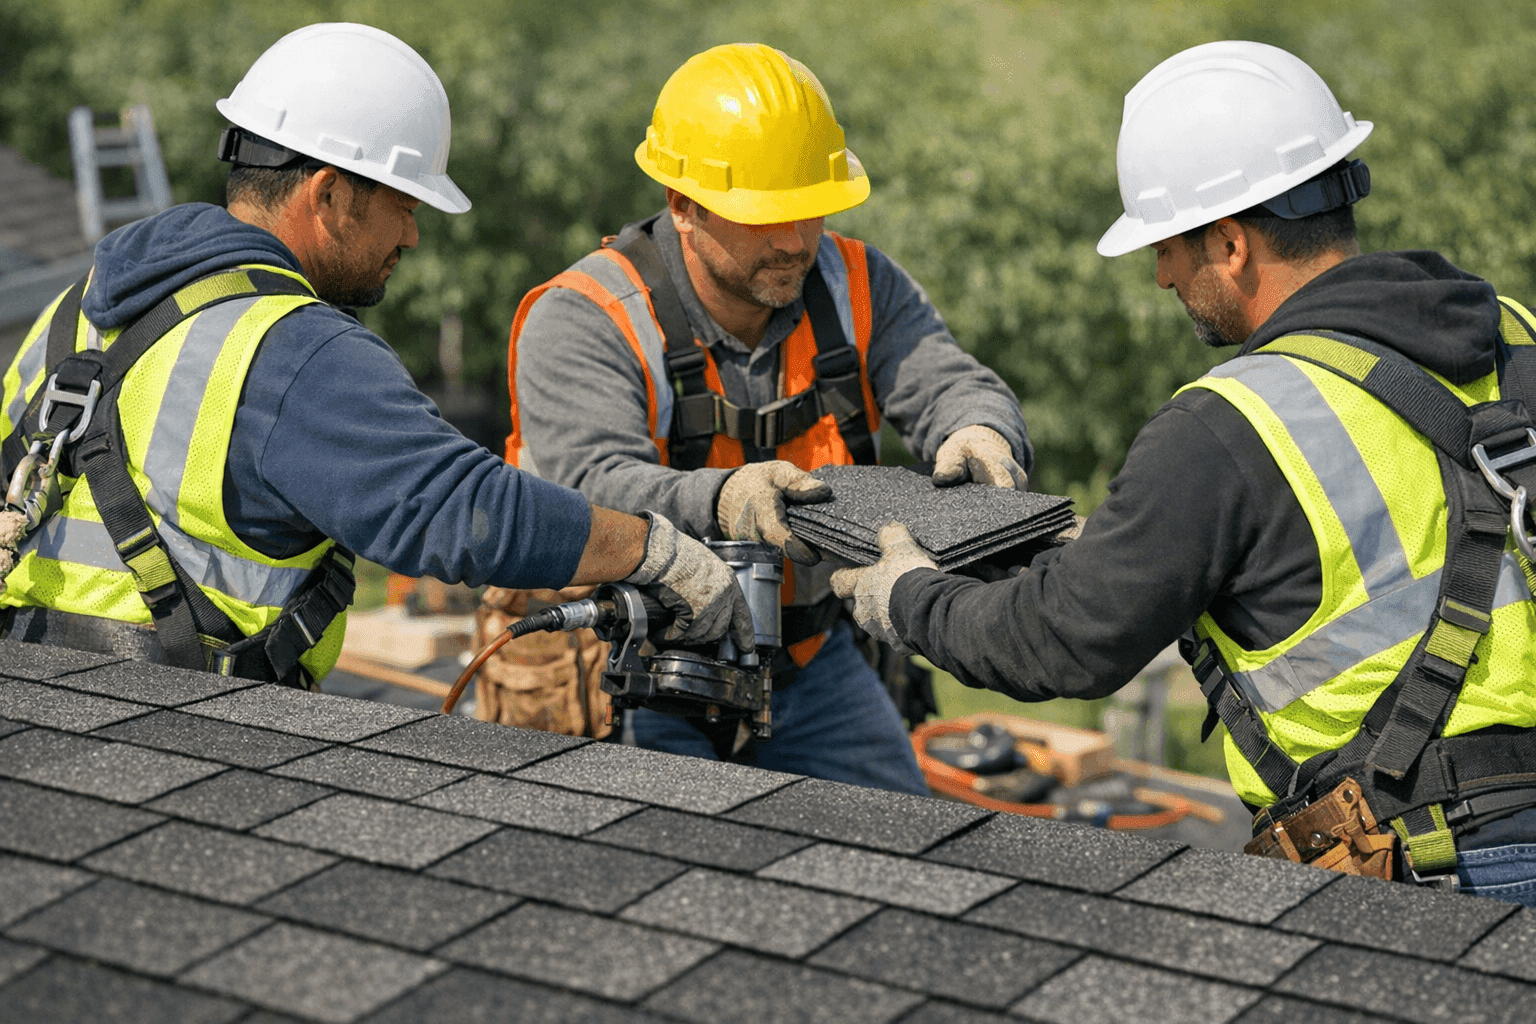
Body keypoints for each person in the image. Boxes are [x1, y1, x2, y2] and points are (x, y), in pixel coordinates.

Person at [833, 40, 1536, 901]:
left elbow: (1063, 643)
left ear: (1231, 243)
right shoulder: (1517, 334)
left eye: (1165, 246)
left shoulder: (1230, 423)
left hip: (1442, 874)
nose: (1162, 276)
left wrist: (910, 599)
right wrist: (1120, 551)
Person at [0, 22, 753, 689]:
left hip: (37, 702)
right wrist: (652, 551)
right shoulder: (294, 348)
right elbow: (464, 512)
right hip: (180, 729)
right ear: (328, 195)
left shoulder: (79, 307)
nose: (412, 237)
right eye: (405, 205)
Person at [507, 43, 1032, 793]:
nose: (792, 241)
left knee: (908, 841)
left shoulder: (859, 286)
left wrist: (980, 429)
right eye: (762, 217)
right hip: (638, 666)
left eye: (807, 209)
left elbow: (949, 380)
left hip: (810, 666)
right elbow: (590, 486)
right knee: (660, 852)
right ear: (682, 205)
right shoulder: (587, 317)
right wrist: (725, 500)